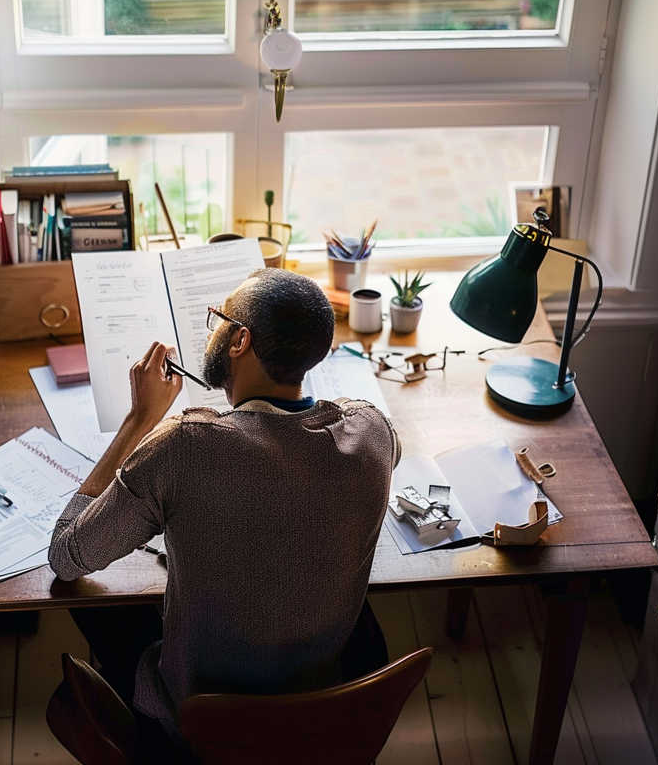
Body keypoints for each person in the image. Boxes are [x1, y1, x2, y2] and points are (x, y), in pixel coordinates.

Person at [48, 267, 400, 753]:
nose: (211, 327)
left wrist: (139, 420)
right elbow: (356, 427)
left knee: (93, 602)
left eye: (218, 318)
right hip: (322, 712)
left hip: (201, 728)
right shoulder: (373, 433)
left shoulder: (183, 446)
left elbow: (66, 557)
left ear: (239, 340)